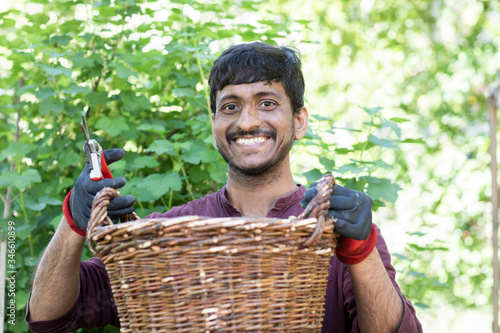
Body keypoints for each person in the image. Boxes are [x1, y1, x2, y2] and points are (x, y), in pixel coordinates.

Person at [26, 42, 422, 333]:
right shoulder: (168, 235)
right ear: (214, 123)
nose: (247, 121)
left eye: (267, 103)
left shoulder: (336, 226)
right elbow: (47, 318)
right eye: (230, 106)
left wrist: (361, 250)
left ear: (299, 121)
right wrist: (73, 222)